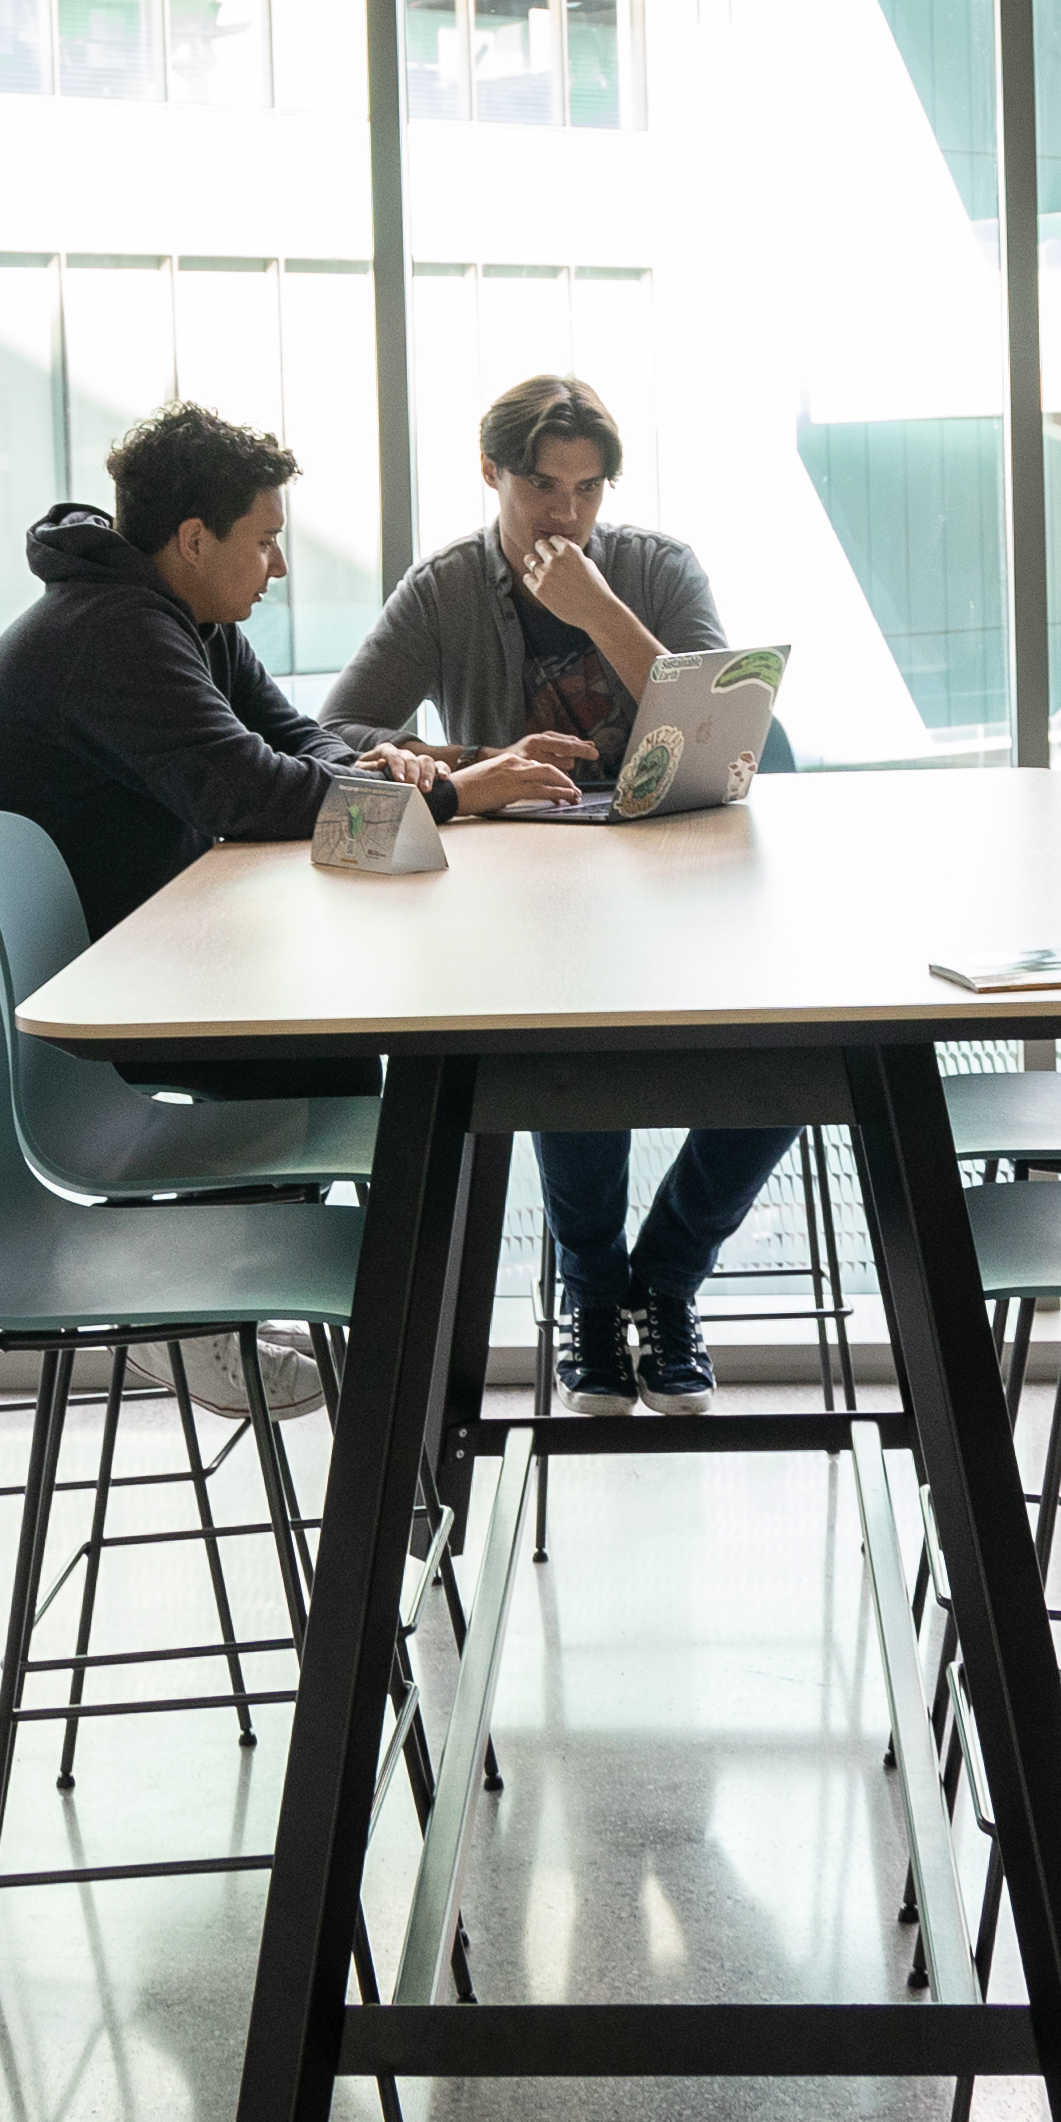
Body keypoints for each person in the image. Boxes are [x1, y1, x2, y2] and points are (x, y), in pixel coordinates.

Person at [325, 372, 792, 1419]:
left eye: (589, 490)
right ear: (492, 474)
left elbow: (726, 723)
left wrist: (600, 611)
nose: (568, 515)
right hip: (531, 906)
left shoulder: (655, 569)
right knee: (568, 1050)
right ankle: (593, 1290)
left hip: (686, 893)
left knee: (800, 1055)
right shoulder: (445, 588)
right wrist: (480, 762)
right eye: (542, 487)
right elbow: (341, 735)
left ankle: (665, 1276)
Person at [0, 400, 576, 945]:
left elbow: (292, 734)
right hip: (45, 984)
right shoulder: (116, 633)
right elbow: (254, 794)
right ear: (196, 541)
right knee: (331, 1029)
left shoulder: (188, 617)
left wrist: (374, 771)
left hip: (107, 940)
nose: (279, 567)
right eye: (264, 541)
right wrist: (453, 794)